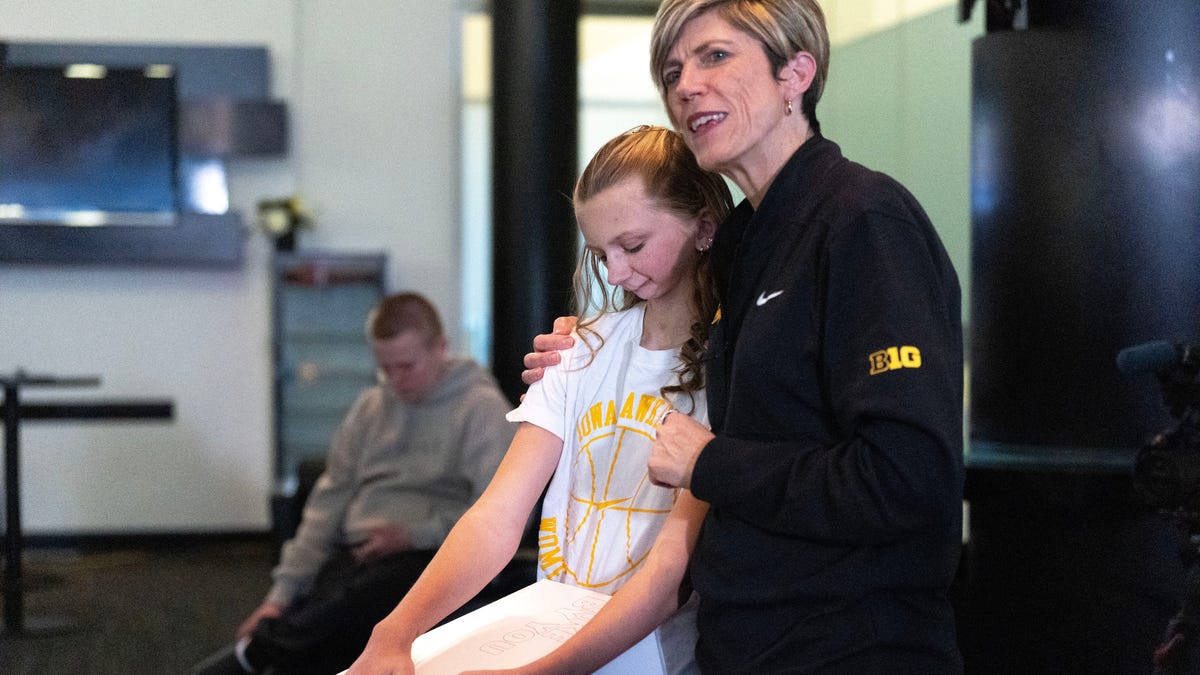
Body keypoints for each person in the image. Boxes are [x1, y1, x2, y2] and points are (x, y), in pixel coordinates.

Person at [521, 1, 965, 672]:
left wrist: (712, 463)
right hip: (739, 645)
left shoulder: (864, 222)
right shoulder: (740, 245)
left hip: (849, 648)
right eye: (672, 71)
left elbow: (908, 479)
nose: (686, 86)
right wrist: (583, 347)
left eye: (716, 56)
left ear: (797, 74)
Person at [345, 125, 732, 675]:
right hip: (549, 623)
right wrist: (396, 632)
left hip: (654, 657)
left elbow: (668, 575)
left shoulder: (736, 366)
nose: (617, 272)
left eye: (634, 245)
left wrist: (545, 672)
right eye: (600, 253)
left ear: (705, 227)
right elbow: (497, 516)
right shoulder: (577, 349)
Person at [192, 292, 515, 675]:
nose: (395, 380)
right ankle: (267, 647)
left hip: (432, 554)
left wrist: (414, 535)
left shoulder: (482, 410)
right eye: (385, 368)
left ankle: (256, 654)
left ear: (440, 349)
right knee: (334, 608)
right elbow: (327, 504)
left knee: (362, 598)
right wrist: (279, 598)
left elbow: (500, 511)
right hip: (359, 551)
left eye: (406, 366)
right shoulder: (370, 408)